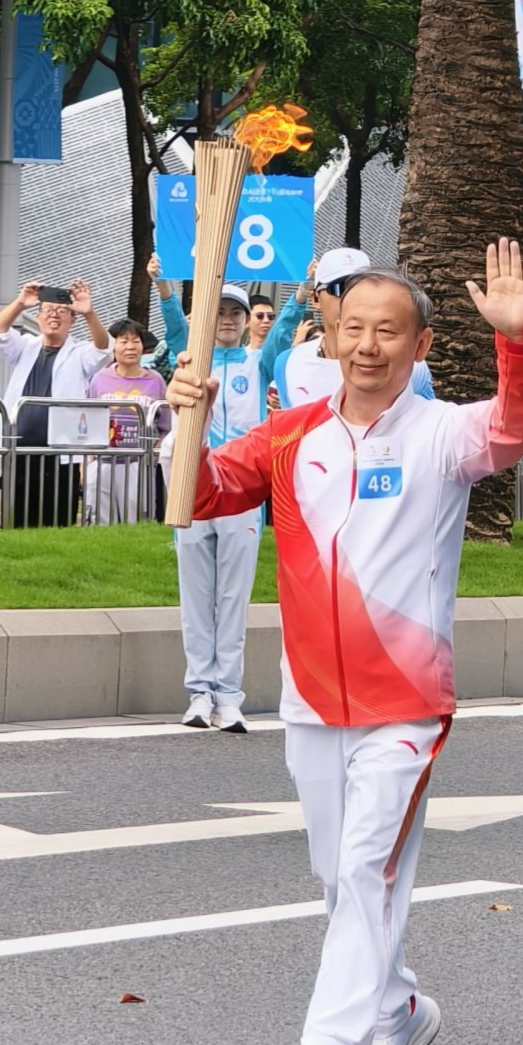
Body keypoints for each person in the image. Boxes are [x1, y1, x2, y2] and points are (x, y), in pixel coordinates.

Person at [161, 244, 523, 1045]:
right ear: (330, 334)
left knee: (367, 866)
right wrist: (185, 422)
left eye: (389, 332)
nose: (368, 345)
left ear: (421, 345)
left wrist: (518, 342)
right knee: (341, 882)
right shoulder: (292, 435)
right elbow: (207, 494)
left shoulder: (443, 435)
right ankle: (401, 1012)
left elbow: (516, 429)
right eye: (354, 327)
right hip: (311, 697)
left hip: (406, 700)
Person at [162, 281, 300, 732]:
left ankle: (229, 696)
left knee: (233, 598)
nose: (227, 319)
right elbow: (177, 330)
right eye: (219, 312)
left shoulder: (258, 362)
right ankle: (199, 693)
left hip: (240, 490)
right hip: (195, 483)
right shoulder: (193, 361)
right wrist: (164, 287)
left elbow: (282, 333)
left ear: (246, 322)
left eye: (235, 313)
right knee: (196, 596)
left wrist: (303, 292)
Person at [0, 278, 110, 527]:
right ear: (39, 316)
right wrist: (20, 303)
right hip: (20, 448)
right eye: (48, 310)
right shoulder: (25, 347)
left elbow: (104, 349)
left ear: (72, 319)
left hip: (60, 451)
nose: (54, 316)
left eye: (62, 311)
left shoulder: (79, 353)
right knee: (17, 517)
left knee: (56, 517)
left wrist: (89, 312)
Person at [270, 249, 433, 410]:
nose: (350, 298)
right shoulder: (289, 363)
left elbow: (425, 422)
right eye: (338, 288)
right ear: (315, 298)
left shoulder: (406, 362)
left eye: (358, 288)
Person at [83, 318, 167, 523]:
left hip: (139, 463)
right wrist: (87, 463)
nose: (130, 346)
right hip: (103, 461)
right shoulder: (99, 379)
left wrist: (152, 456)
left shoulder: (155, 380)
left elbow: (166, 425)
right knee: (99, 519)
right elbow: (87, 420)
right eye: (123, 341)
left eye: (135, 340)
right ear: (114, 346)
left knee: (137, 518)